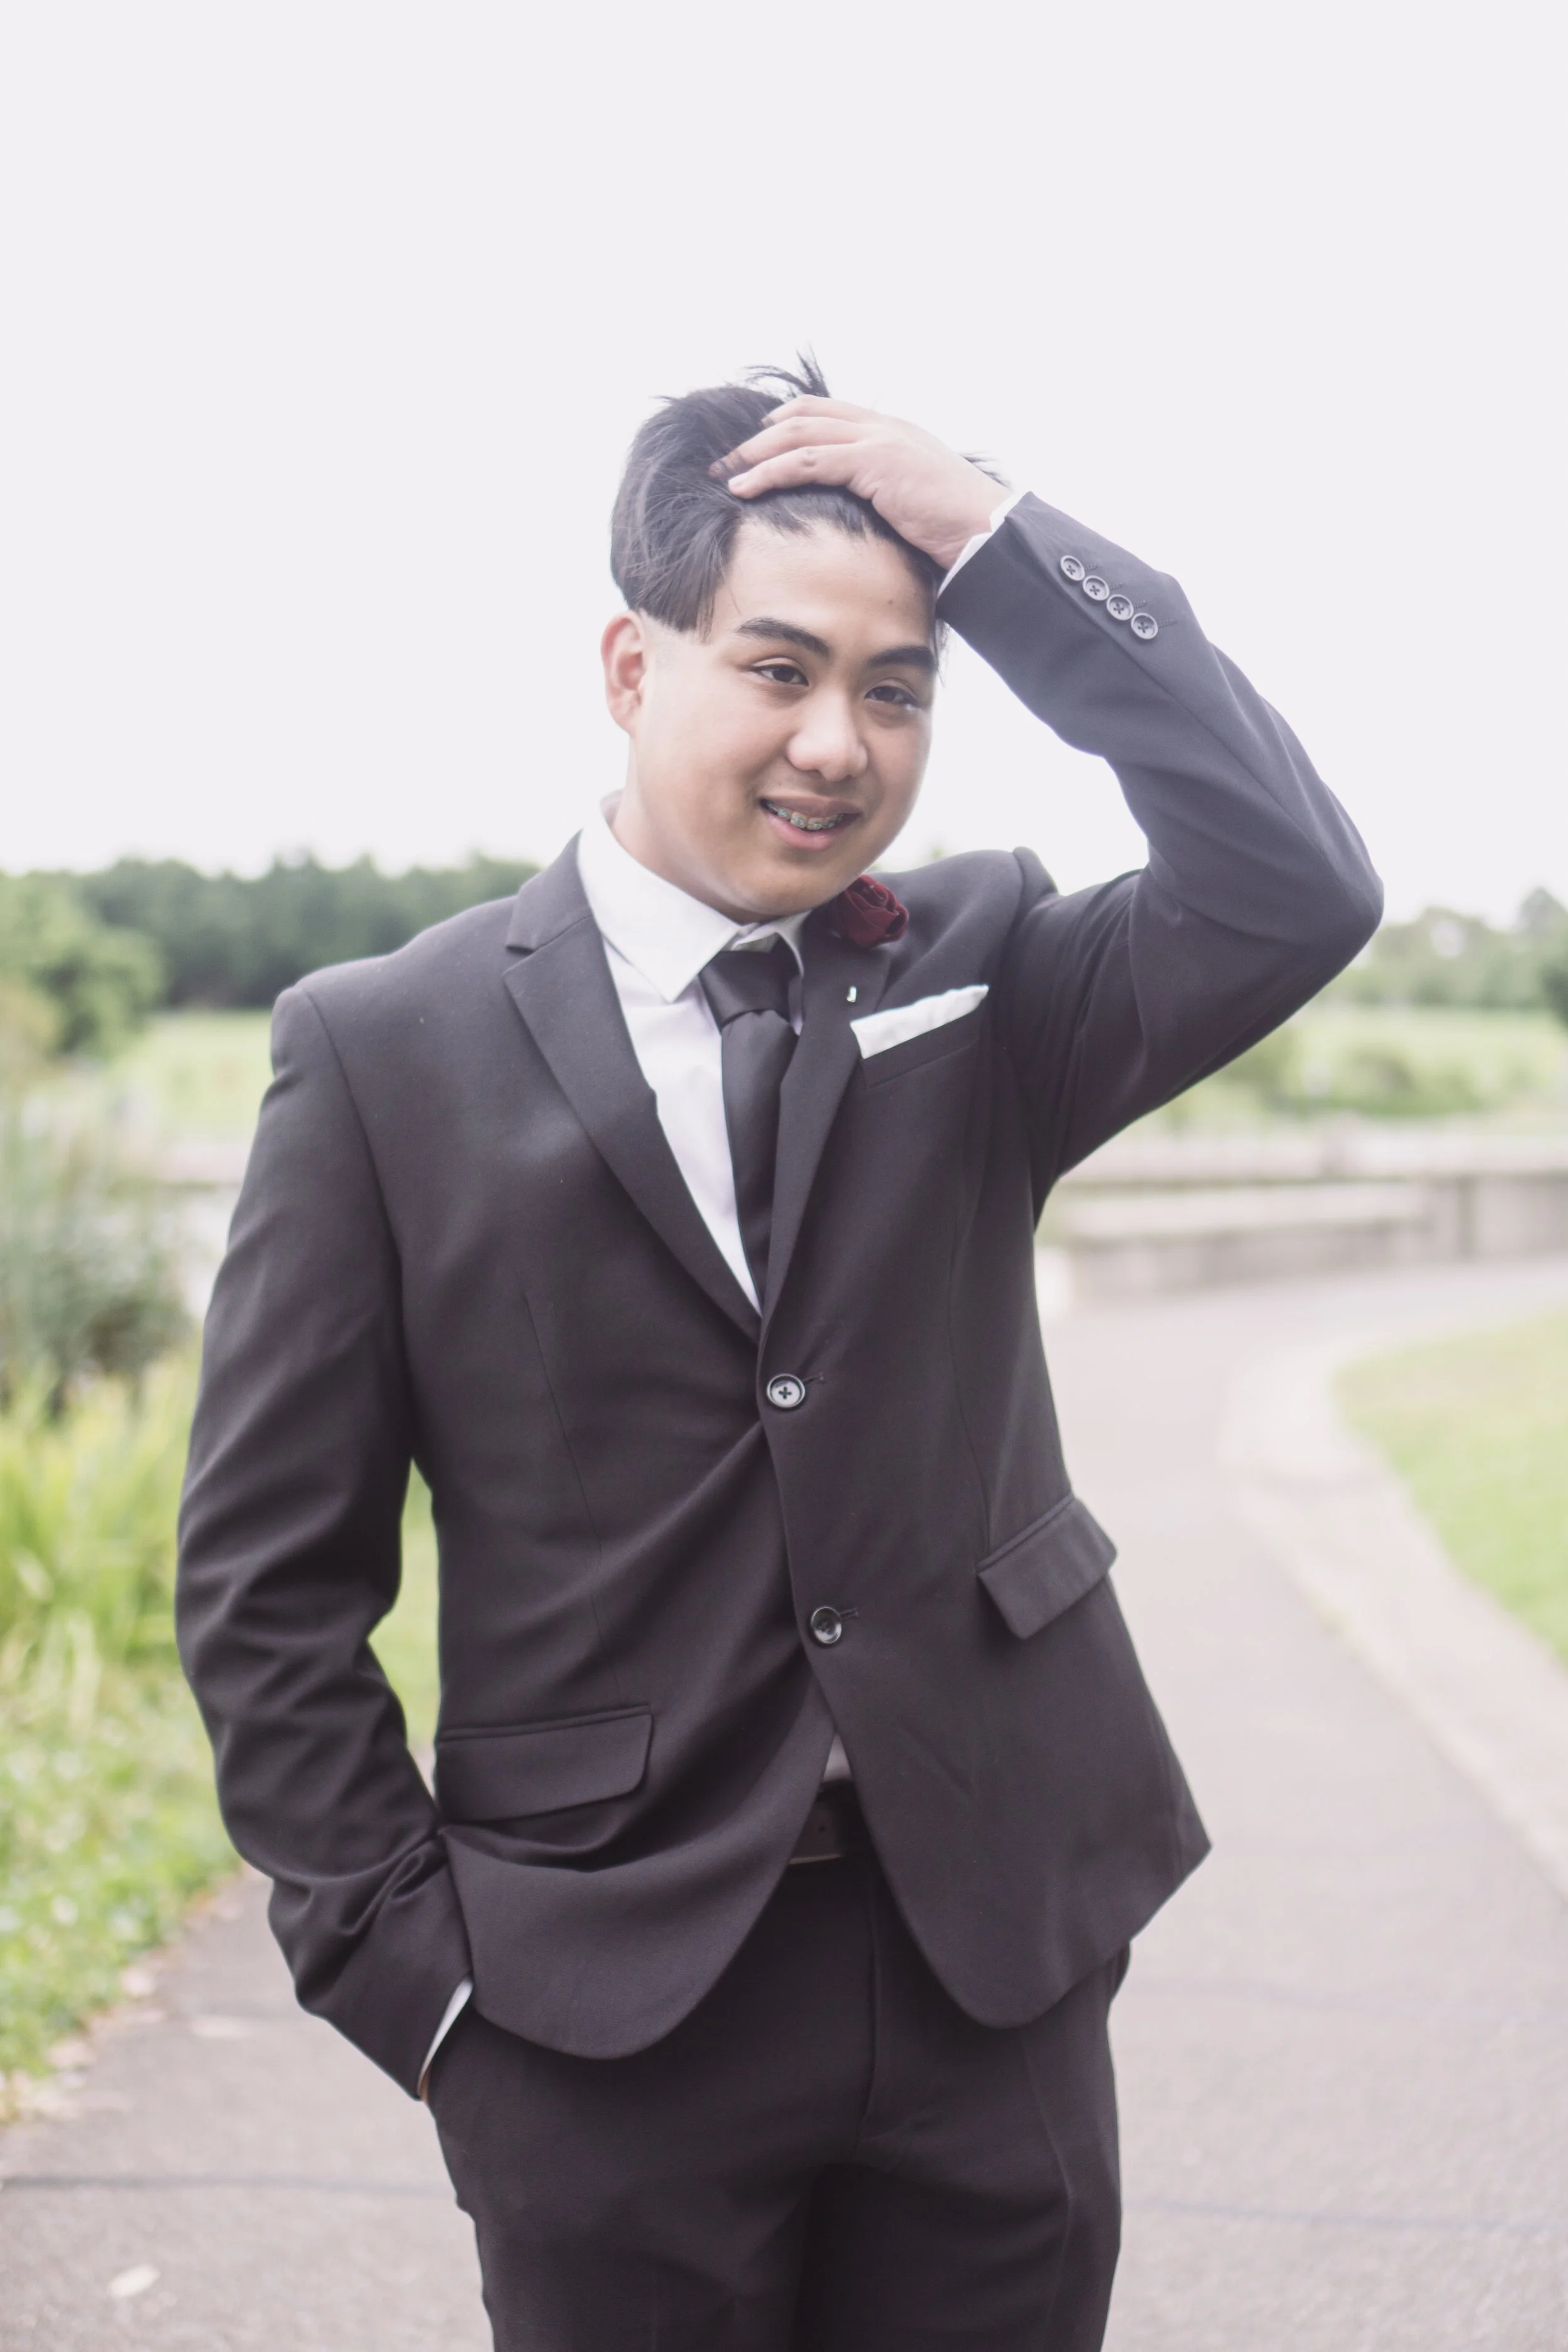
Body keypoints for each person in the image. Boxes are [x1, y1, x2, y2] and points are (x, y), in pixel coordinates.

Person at [177, 360, 1382, 2350]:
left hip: (988, 1960)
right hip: (593, 2009)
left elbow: (1293, 878)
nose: (839, 743)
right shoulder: (380, 1048)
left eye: (896, 687)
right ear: (630, 665)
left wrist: (997, 540)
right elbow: (268, 1588)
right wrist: (421, 1987)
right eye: (777, 667)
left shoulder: (983, 970)